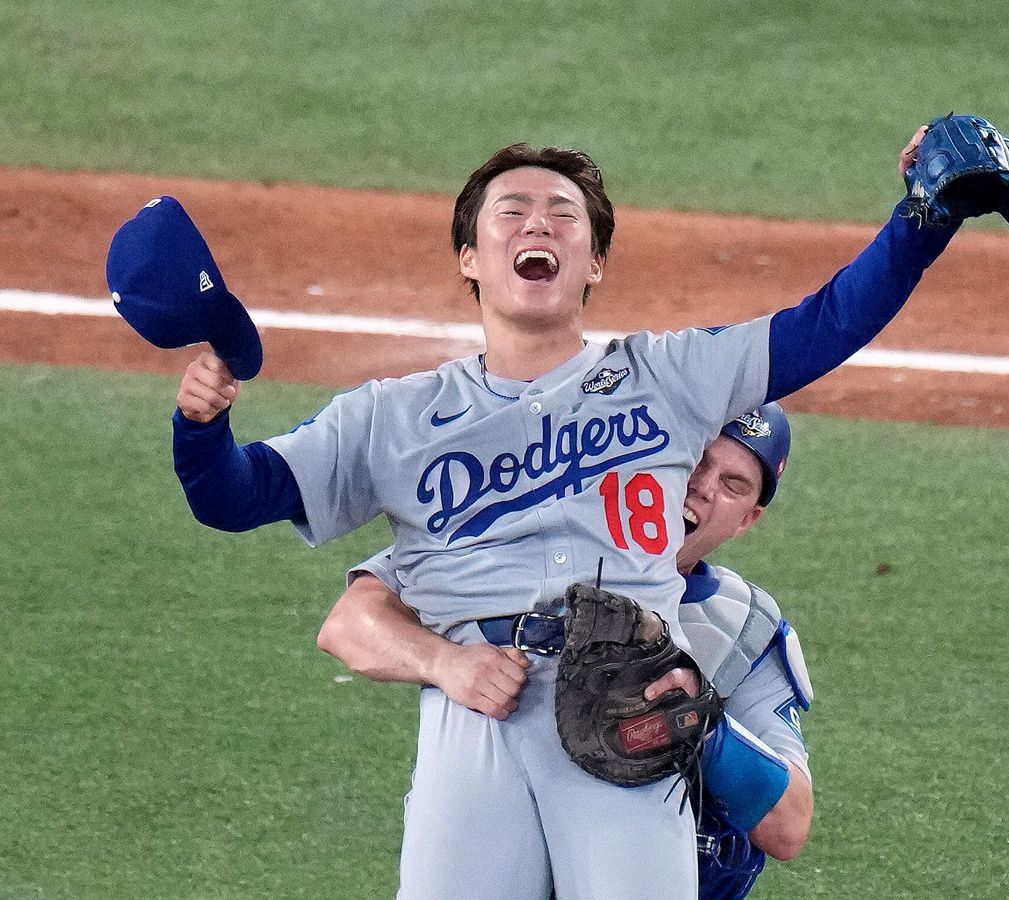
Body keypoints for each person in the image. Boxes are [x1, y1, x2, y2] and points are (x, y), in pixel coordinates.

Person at [171, 127, 955, 898]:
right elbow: (236, 497)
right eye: (511, 211)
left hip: (632, 712)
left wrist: (923, 219)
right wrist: (202, 430)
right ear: (470, 258)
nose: (538, 222)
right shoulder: (389, 417)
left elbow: (830, 322)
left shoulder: (672, 375)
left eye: (563, 213)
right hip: (475, 717)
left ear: (595, 264)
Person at [321, 404, 813, 900]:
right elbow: (350, 623)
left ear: (748, 519)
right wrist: (444, 661)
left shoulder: (741, 624)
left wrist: (698, 726)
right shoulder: (521, 533)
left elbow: (788, 825)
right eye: (698, 459)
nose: (703, 487)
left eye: (734, 485)